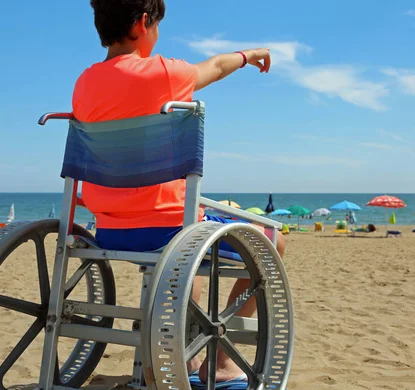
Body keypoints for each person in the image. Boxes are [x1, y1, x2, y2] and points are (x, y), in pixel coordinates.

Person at [73, 0, 286, 385]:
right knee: (273, 240)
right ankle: (220, 362)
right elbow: (217, 67)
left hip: (110, 230)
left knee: (193, 242)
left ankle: (173, 360)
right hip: (167, 229)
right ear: (142, 23)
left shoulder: (85, 82)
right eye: (157, 27)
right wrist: (249, 54)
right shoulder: (160, 73)